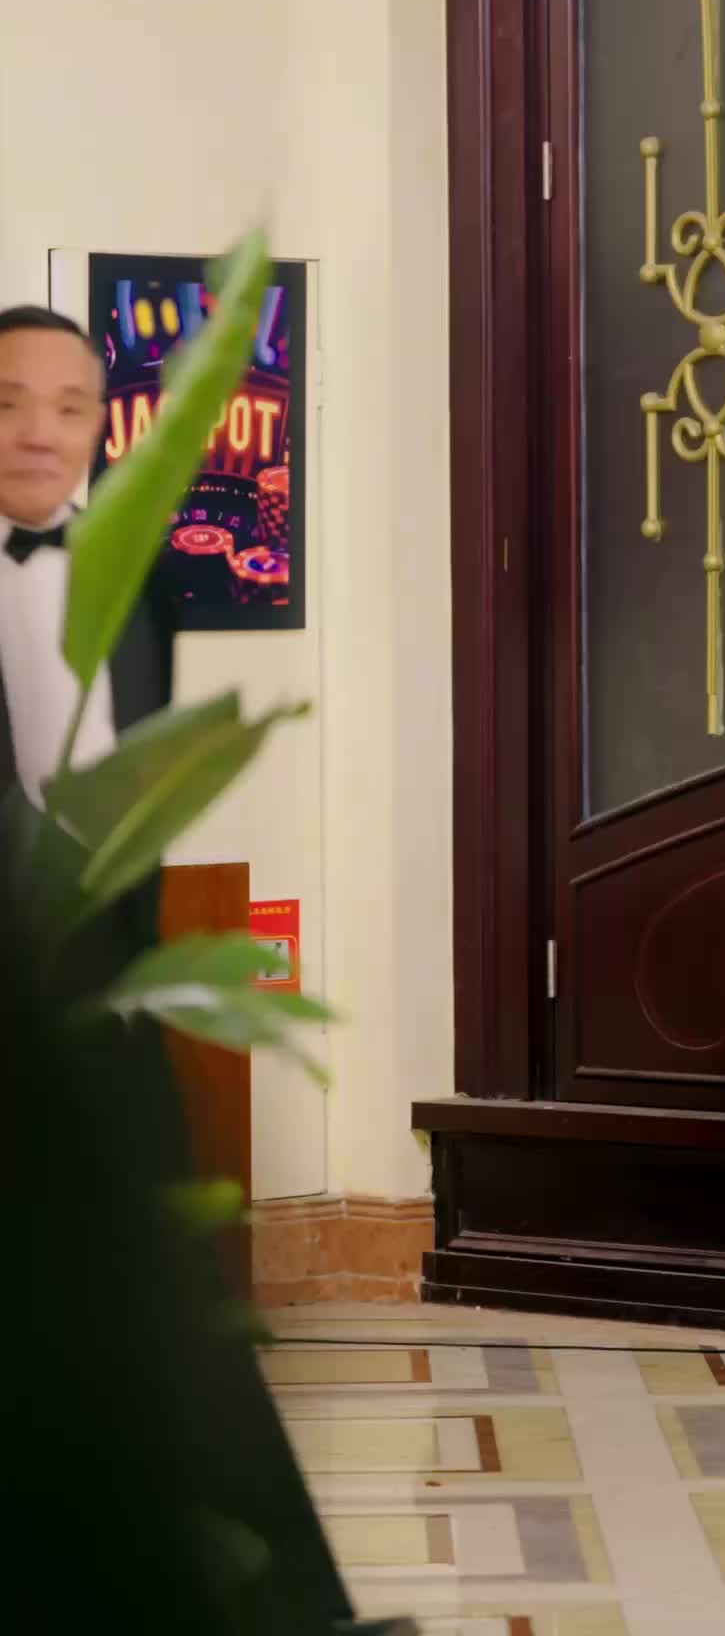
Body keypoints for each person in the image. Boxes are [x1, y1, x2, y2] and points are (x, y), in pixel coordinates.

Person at [0, 305, 392, 1633]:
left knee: (171, 1325)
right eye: (10, 401)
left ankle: (296, 1609)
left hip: (111, 1023)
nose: (40, 431)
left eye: (69, 405)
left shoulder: (148, 588)